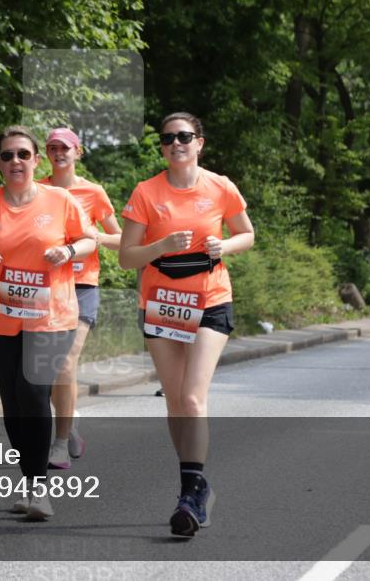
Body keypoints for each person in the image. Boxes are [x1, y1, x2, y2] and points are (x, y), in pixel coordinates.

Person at [119, 112, 255, 538]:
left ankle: (188, 494)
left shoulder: (220, 186)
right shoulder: (146, 192)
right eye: (168, 138)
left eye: (184, 136)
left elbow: (247, 234)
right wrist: (160, 245)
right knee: (175, 401)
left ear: (200, 143)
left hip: (211, 300)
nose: (175, 143)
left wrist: (224, 245)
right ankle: (198, 486)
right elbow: (126, 256)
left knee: (193, 398)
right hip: (162, 303)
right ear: (162, 147)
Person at [0, 125, 95, 521]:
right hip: (0, 319)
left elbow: (90, 240)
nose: (15, 161)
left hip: (53, 316)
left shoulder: (60, 198)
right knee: (15, 404)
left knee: (33, 393)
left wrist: (67, 251)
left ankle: (39, 488)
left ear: (36, 160)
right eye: (6, 156)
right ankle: (29, 481)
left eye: (22, 154)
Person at [39, 127, 121, 470]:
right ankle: (68, 424)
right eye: (53, 147)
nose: (59, 153)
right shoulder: (37, 189)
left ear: (78, 152)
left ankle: (59, 443)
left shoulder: (93, 191)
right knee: (45, 369)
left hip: (83, 286)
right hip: (44, 286)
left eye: (65, 148)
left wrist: (91, 239)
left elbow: (121, 239)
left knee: (65, 361)